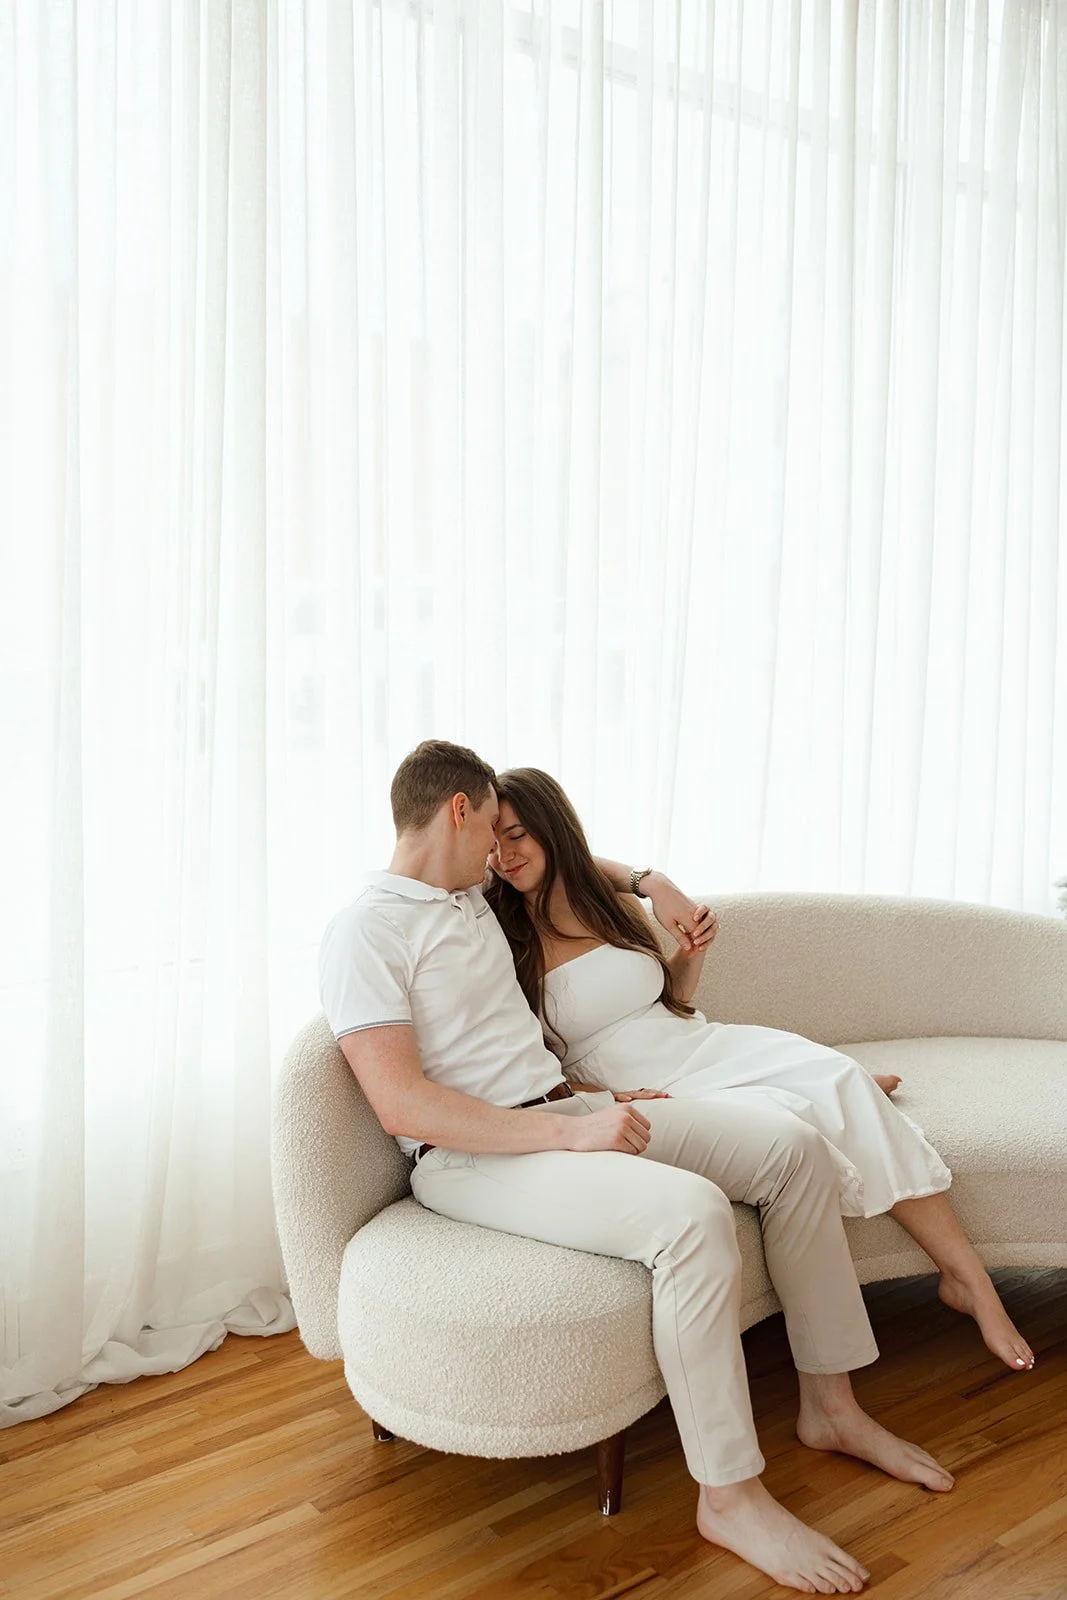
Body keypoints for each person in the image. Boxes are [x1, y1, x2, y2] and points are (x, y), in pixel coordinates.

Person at [319, 742, 956, 1597]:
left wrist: (653, 886)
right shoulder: (366, 930)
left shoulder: (464, 896)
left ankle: (831, 1409)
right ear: (459, 812)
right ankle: (728, 1496)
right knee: (690, 1218)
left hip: (567, 1107)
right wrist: (567, 1135)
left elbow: (572, 857)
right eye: (492, 829)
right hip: (473, 1156)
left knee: (792, 1150)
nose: (500, 854)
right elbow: (401, 1105)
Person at [484, 765, 1035, 1381]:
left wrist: (685, 945)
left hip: (695, 1042)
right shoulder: (497, 934)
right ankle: (824, 1091)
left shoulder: (600, 904)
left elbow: (670, 1002)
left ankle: (968, 1280)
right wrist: (599, 1096)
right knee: (799, 1114)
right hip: (643, 1085)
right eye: (493, 842)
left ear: (552, 830)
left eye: (518, 835)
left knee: (840, 1082)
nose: (504, 856)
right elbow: (524, 1063)